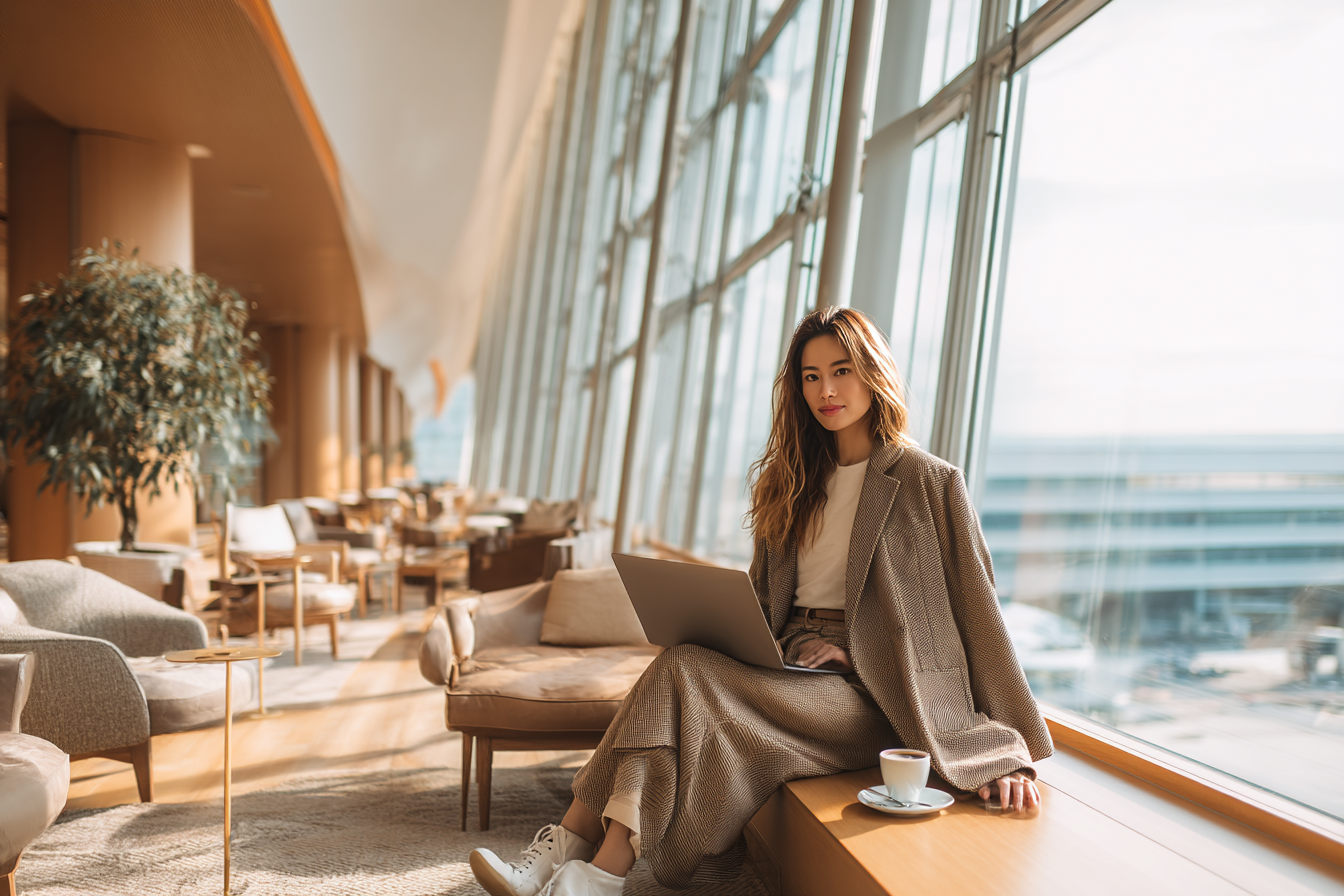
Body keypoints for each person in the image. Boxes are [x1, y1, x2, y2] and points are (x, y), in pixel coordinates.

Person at [469, 307, 1052, 896]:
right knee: (682, 666)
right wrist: (772, 637)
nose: (825, 390)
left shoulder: (929, 480)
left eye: (841, 371)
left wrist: (1007, 749)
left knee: (682, 673)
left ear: (873, 372)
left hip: (877, 695)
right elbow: (767, 602)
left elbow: (980, 613)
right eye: (810, 376)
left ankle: (585, 865)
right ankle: (584, 868)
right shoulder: (788, 482)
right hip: (793, 668)